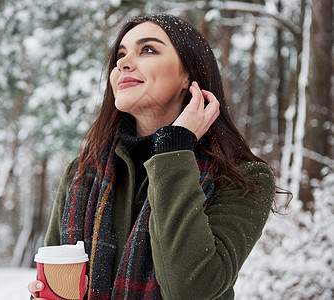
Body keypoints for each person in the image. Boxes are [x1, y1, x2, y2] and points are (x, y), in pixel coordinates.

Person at [28, 13, 275, 300]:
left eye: (148, 49)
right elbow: (55, 280)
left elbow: (190, 290)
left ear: (188, 76)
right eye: (121, 54)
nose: (123, 63)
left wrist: (174, 151)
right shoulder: (83, 171)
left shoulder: (242, 178)